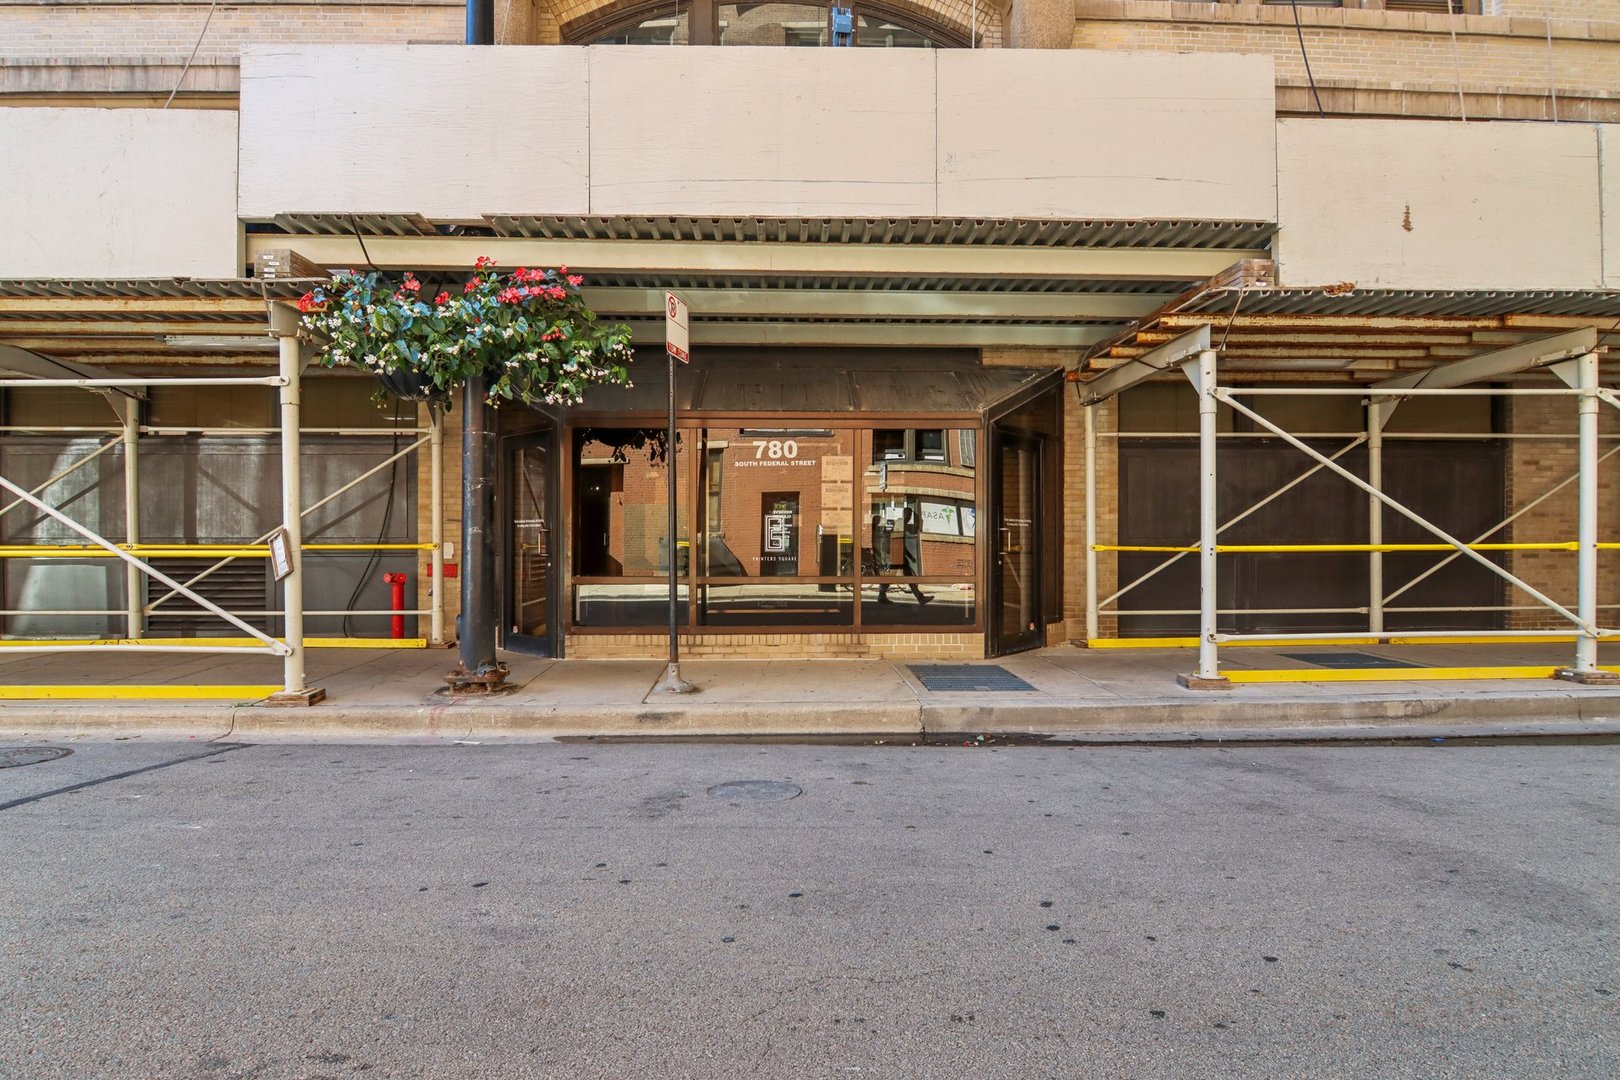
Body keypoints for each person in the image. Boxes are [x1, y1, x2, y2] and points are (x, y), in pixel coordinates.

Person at [876, 504, 931, 605]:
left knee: (904, 576)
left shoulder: (902, 524)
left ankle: (920, 597)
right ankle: (882, 596)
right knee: (892, 576)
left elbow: (902, 541)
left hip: (899, 555)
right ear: (904, 514)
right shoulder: (899, 524)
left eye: (910, 516)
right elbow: (896, 542)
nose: (909, 517)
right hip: (896, 555)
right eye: (908, 515)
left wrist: (909, 556)